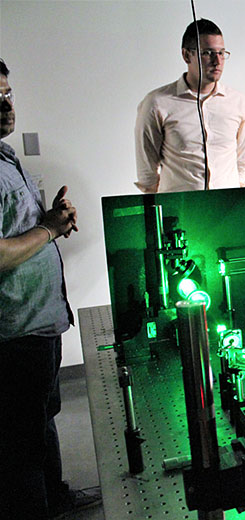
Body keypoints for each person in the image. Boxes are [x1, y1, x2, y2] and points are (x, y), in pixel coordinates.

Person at [0, 58, 101, 519]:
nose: (5, 105)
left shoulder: (6, 157)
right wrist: (49, 231)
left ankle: (56, 497)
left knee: (43, 419)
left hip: (41, 322)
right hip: (15, 331)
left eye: (7, 93)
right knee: (21, 439)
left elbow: (24, 227)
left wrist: (51, 219)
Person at [135, 18, 245, 193]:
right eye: (207, 53)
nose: (217, 61)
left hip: (228, 208)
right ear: (186, 55)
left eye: (221, 53)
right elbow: (148, 177)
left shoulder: (238, 102)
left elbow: (242, 166)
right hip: (179, 212)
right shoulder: (157, 103)